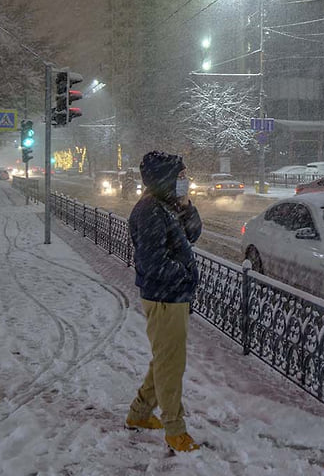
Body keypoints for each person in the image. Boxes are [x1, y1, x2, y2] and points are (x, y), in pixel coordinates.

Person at [124, 151, 203, 452]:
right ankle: (175, 430)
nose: (185, 180)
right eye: (180, 176)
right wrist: (184, 274)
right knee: (171, 365)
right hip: (165, 298)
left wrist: (186, 206)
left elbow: (192, 234)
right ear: (165, 179)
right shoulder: (149, 212)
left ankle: (140, 414)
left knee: (164, 360)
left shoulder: (166, 205)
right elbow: (152, 262)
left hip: (173, 296)